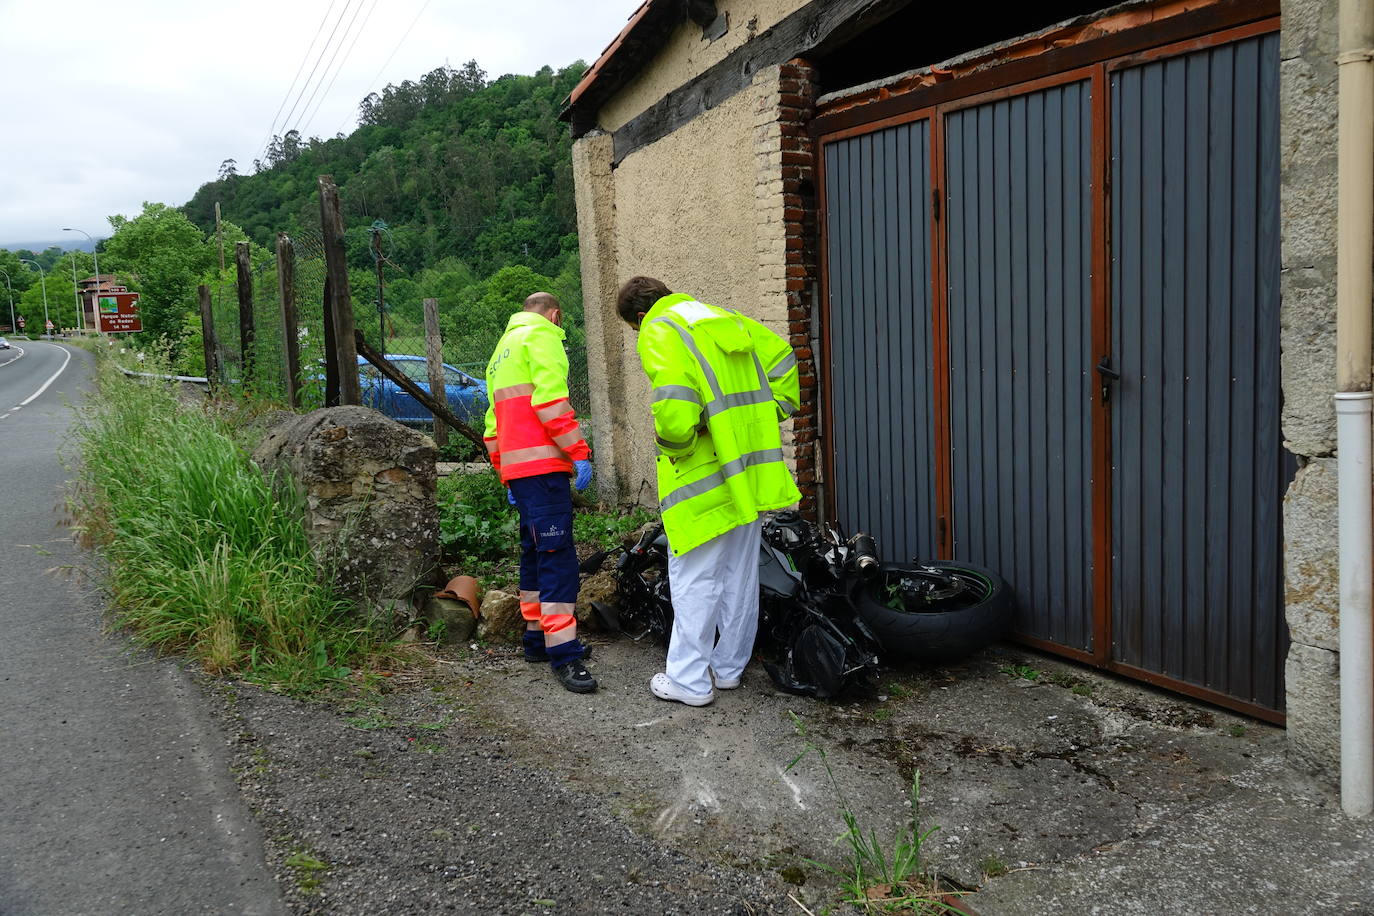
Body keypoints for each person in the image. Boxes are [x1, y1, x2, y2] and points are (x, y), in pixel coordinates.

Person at [615, 276, 801, 706]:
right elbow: (784, 363)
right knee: (740, 575)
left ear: (640, 318)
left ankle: (688, 681)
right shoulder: (723, 318)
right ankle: (728, 669)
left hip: (704, 478)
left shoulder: (661, 328)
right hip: (750, 476)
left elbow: (677, 413)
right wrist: (762, 416)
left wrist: (675, 443)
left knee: (695, 577)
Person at [483, 291, 597, 693]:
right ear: (555, 315)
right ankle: (564, 653)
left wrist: (504, 472)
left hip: (520, 471)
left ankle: (535, 637)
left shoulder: (502, 349)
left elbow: (492, 424)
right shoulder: (544, 336)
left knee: (534, 551)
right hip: (546, 468)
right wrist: (579, 452)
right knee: (558, 559)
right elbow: (550, 402)